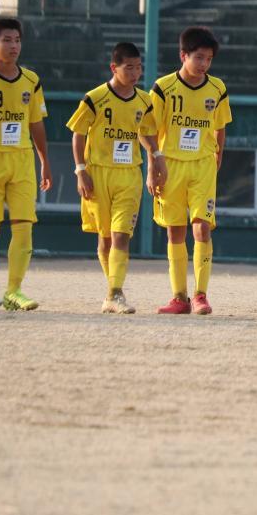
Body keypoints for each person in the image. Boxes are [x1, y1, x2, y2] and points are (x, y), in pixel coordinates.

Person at [66, 42, 165, 314]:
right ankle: (113, 291)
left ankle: (115, 293)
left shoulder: (144, 101)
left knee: (122, 235)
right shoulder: (95, 98)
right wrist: (80, 170)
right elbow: (78, 134)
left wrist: (157, 156)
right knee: (105, 239)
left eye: (139, 68)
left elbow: (146, 132)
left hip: (129, 174)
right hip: (98, 172)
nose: (135, 73)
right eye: (129, 68)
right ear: (114, 68)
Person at [0, 18, 52, 311]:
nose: (14, 45)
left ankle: (14, 290)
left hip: (22, 161)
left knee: (24, 225)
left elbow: (36, 123)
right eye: (7, 40)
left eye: (17, 40)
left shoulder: (31, 80)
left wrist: (44, 161)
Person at [150, 27, 232, 315]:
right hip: (170, 164)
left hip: (202, 165)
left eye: (209, 59)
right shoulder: (163, 88)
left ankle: (200, 295)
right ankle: (179, 297)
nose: (204, 64)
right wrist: (153, 165)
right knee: (175, 230)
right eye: (199, 58)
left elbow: (220, 126)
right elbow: (150, 131)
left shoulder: (217, 88)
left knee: (201, 226)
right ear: (183, 55)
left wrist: (217, 155)